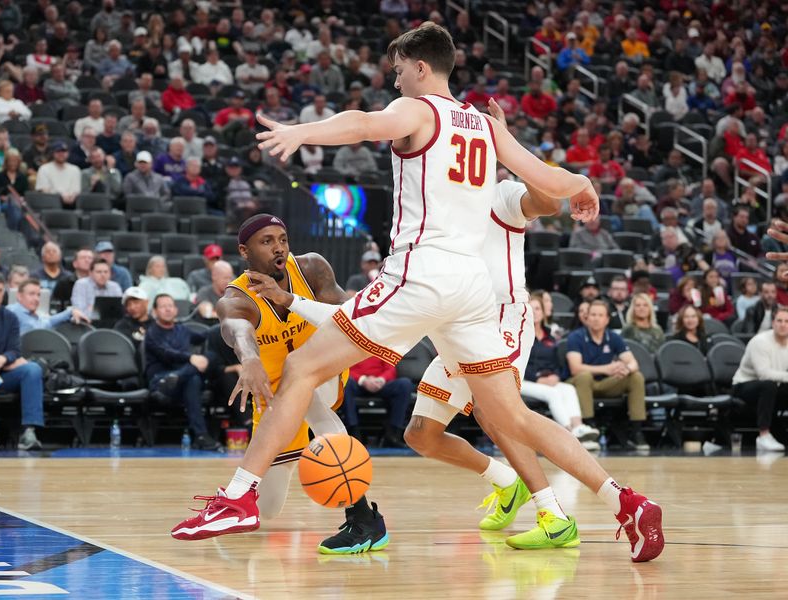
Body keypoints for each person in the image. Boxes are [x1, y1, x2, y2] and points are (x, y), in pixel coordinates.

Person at [172, 23, 662, 563]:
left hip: (421, 272)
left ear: (421, 66)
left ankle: (238, 497)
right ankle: (627, 502)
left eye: (399, 68)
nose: (396, 78)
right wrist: (583, 187)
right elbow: (545, 175)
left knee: (300, 369)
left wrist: (300, 132)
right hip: (473, 289)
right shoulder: (483, 125)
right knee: (514, 418)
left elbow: (362, 124)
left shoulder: (421, 108)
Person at [170, 214, 390, 553]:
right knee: (269, 508)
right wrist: (250, 360)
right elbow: (236, 330)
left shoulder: (312, 268)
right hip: (274, 398)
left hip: (323, 370)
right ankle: (241, 506)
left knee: (311, 393)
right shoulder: (236, 298)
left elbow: (346, 315)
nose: (279, 248)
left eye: (283, 239)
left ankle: (363, 517)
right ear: (245, 250)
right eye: (267, 241)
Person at [565, 300, 649, 451]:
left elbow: (633, 363)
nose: (596, 318)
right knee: (584, 376)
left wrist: (626, 370)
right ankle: (589, 427)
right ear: (587, 317)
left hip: (605, 383)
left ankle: (637, 431)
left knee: (636, 377)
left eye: (600, 315)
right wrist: (606, 369)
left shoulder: (613, 337)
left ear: (607, 319)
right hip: (579, 384)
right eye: (593, 314)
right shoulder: (576, 337)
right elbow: (575, 368)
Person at [144, 293, 221, 451]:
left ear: (176, 310)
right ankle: (201, 436)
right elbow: (166, 354)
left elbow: (203, 336)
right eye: (163, 306)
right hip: (161, 380)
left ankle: (180, 376)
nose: (168, 309)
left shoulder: (182, 329)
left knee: (211, 358)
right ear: (155, 311)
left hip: (178, 378)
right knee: (193, 378)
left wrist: (222, 322)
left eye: (170, 306)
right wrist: (191, 357)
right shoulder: (152, 333)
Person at [523, 296, 600, 449]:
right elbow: (517, 363)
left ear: (544, 312)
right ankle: (570, 434)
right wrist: (537, 379)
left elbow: (557, 363)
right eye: (530, 308)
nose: (535, 312)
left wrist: (556, 376)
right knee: (553, 394)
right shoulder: (520, 335)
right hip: (522, 380)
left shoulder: (550, 337)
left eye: (538, 308)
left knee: (568, 388)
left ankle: (579, 427)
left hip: (547, 380)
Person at [0, 271, 44, 451]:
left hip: (3, 373)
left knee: (32, 369)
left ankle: (28, 433)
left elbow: (14, 350)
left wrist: (1, 359)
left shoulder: (10, 317)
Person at [732, 306, 788, 452]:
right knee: (768, 385)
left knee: (773, 387)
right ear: (773, 322)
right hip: (744, 385)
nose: (783, 325)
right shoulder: (760, 341)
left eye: (787, 321)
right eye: (779, 321)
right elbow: (764, 374)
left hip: (775, 385)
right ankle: (763, 436)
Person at [7, 278, 89, 335]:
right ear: (19, 296)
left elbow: (49, 321)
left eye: (38, 295)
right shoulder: (11, 312)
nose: (36, 299)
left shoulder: (35, 316)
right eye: (31, 294)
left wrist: (71, 311)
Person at [35, 141, 81, 207]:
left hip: (72, 204)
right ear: (53, 153)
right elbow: (43, 190)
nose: (61, 154)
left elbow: (76, 190)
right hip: (50, 204)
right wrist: (60, 196)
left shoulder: (75, 169)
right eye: (58, 151)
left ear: (68, 153)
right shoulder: (44, 169)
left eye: (64, 151)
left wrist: (70, 197)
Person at [113, 286, 150, 350]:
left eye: (136, 303)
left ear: (146, 302)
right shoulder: (122, 325)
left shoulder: (156, 324)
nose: (132, 307)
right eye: (128, 304)